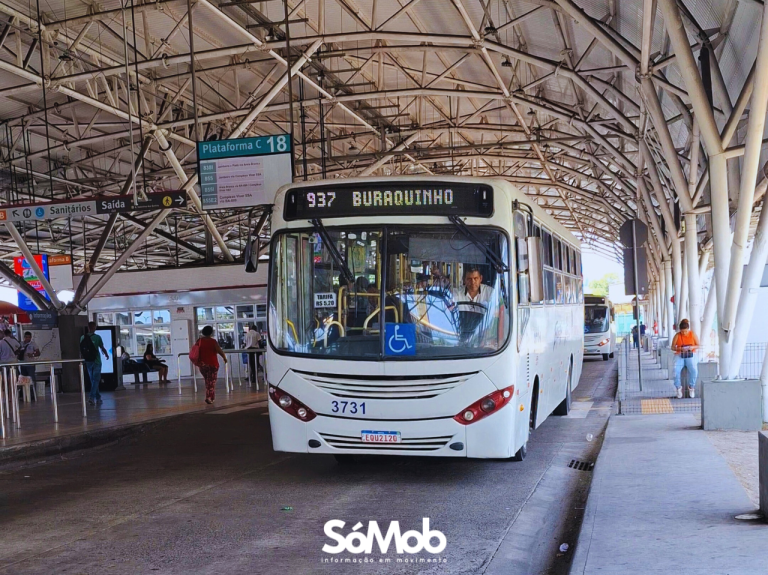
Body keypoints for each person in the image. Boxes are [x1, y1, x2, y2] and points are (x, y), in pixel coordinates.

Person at [197, 325, 227, 404]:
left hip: (202, 365)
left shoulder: (199, 341)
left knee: (208, 381)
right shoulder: (213, 341)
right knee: (211, 381)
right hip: (212, 364)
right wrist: (224, 357)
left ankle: (211, 397)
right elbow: (219, 351)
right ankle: (209, 397)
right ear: (211, 332)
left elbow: (195, 351)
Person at [81, 322, 109, 406]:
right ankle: (91, 397)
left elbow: (81, 350)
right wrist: (106, 355)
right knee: (96, 380)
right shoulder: (97, 337)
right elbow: (102, 348)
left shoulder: (82, 337)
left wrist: (82, 361)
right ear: (94, 328)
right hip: (96, 361)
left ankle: (98, 397)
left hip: (88, 361)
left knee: (93, 380)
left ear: (88, 327)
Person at [671, 319, 700, 399]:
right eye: (682, 332)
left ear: (688, 330)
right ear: (680, 330)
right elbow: (672, 347)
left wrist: (692, 347)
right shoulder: (677, 335)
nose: (684, 333)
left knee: (694, 369)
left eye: (686, 331)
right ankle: (678, 387)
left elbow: (698, 345)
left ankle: (691, 386)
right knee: (675, 369)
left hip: (691, 354)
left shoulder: (692, 334)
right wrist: (680, 349)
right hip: (680, 354)